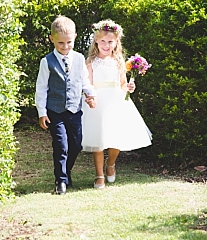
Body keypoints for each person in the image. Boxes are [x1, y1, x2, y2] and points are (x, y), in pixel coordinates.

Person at [80, 19, 152, 189]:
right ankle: (99, 175)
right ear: (96, 41)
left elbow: (122, 84)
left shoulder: (119, 62)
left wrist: (129, 87)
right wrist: (90, 96)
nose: (106, 45)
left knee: (116, 138)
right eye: (103, 41)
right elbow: (87, 83)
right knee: (98, 139)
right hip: (97, 102)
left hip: (115, 101)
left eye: (110, 42)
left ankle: (110, 163)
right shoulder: (90, 61)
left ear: (116, 42)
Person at [34, 15, 96, 195]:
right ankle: (60, 180)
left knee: (76, 145)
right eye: (61, 43)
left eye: (69, 42)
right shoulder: (47, 62)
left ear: (75, 37)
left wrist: (91, 94)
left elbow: (84, 80)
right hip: (55, 111)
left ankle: (66, 171)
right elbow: (41, 88)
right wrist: (42, 112)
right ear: (52, 39)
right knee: (61, 145)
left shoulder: (79, 58)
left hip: (74, 110)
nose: (65, 46)